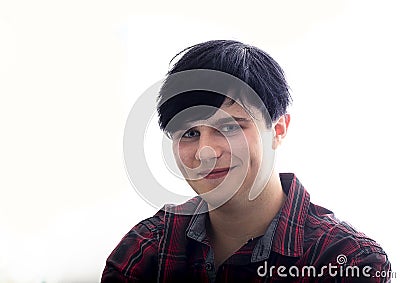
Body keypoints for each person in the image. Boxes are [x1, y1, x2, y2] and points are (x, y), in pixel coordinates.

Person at [101, 40, 391, 282]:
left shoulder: (347, 260)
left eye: (229, 127)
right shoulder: (148, 246)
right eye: (190, 133)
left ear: (278, 130)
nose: (206, 151)